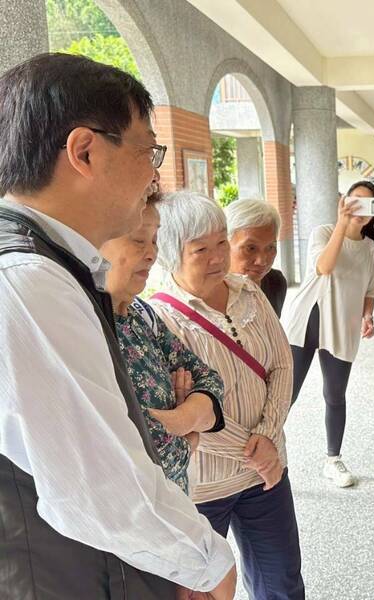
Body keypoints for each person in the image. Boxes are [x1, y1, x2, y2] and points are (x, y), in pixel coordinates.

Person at [0, 53, 235, 599]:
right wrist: (207, 564)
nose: (155, 173)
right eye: (148, 151)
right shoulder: (27, 281)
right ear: (84, 151)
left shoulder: (52, 268)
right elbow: (98, 487)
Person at [150, 191, 304, 600]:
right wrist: (255, 450)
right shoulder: (161, 317)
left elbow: (282, 365)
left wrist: (268, 438)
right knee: (202, 591)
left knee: (282, 584)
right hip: (203, 486)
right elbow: (181, 413)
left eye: (222, 243)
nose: (218, 257)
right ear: (171, 251)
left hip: (265, 476)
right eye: (202, 249)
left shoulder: (250, 293)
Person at [101, 189, 226, 494]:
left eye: (155, 240)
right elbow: (144, 450)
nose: (152, 253)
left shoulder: (142, 314)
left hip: (175, 509)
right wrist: (187, 438)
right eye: (139, 240)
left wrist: (183, 418)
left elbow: (210, 380)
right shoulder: (84, 325)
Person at [283, 180, 374, 488]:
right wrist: (341, 224)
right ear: (344, 201)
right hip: (309, 319)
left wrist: (368, 315)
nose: (360, 210)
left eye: (369, 204)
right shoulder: (324, 232)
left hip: (343, 324)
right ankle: (267, 449)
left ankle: (333, 459)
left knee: (335, 394)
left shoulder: (370, 248)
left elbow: (370, 289)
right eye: (356, 201)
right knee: (286, 393)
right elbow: (323, 266)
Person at [224, 198, 288, 317]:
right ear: (224, 243)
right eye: (251, 248)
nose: (262, 261)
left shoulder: (275, 283)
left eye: (270, 247)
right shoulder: (211, 293)